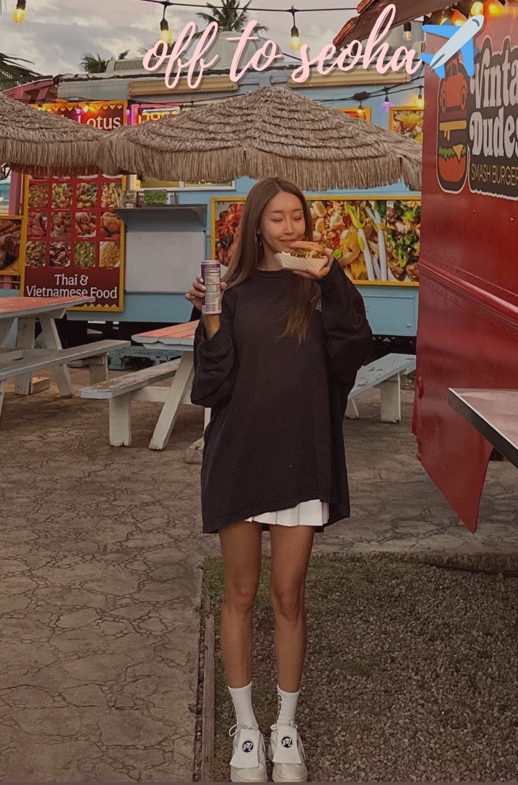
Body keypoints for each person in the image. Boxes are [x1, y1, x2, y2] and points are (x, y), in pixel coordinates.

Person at [185, 177, 373, 783]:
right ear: (255, 227)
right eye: (277, 219)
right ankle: (245, 728)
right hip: (239, 456)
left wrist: (333, 278)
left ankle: (284, 724)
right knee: (239, 595)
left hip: (302, 459)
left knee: (288, 596)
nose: (290, 229)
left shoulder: (318, 289)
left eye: (297, 217)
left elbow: (354, 348)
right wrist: (211, 318)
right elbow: (212, 385)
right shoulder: (231, 294)